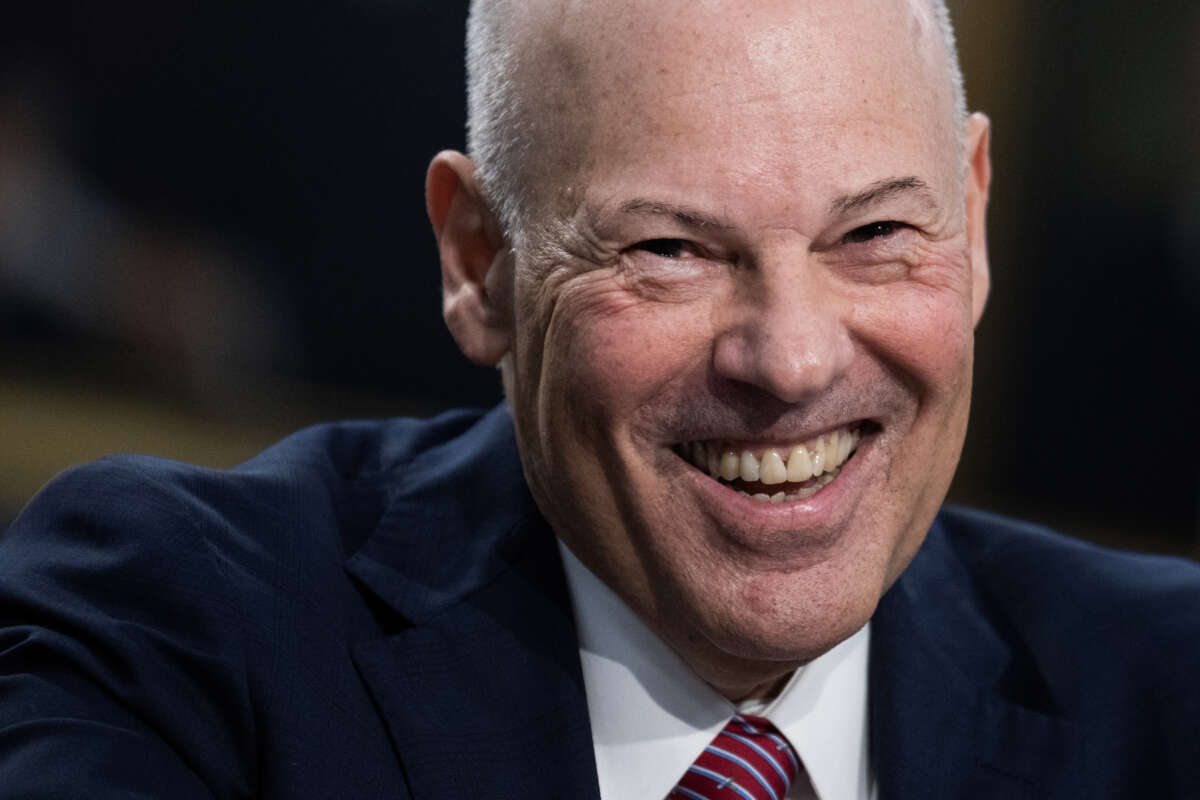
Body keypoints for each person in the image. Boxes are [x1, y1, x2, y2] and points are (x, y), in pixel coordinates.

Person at [1, 0, 1197, 797]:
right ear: (480, 262)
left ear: (974, 223)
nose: (790, 361)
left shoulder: (1170, 686)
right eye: (670, 248)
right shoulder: (176, 632)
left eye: (876, 231)